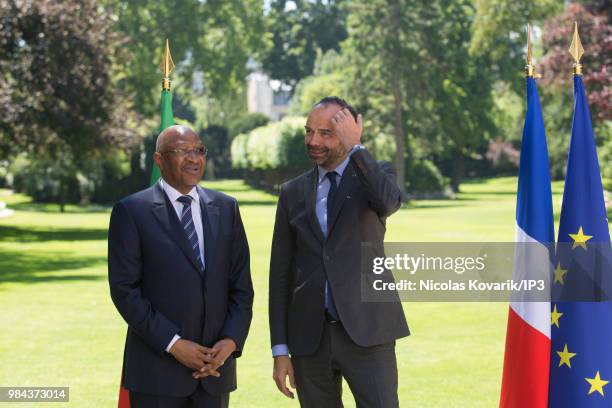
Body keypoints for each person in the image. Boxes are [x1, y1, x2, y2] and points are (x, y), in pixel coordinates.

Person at [269, 97, 410, 407]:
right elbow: (280, 275)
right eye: (309, 132)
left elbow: (390, 202)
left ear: (348, 134)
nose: (313, 141)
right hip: (309, 340)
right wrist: (280, 349)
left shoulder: (375, 176)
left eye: (325, 133)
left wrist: (357, 148)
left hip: (369, 332)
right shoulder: (293, 192)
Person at [108, 125, 254, 408]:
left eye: (198, 150)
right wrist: (174, 344)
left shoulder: (226, 208)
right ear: (159, 160)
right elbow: (125, 291)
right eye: (181, 151)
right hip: (156, 375)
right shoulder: (132, 211)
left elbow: (241, 287)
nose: (193, 158)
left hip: (215, 372)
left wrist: (231, 341)